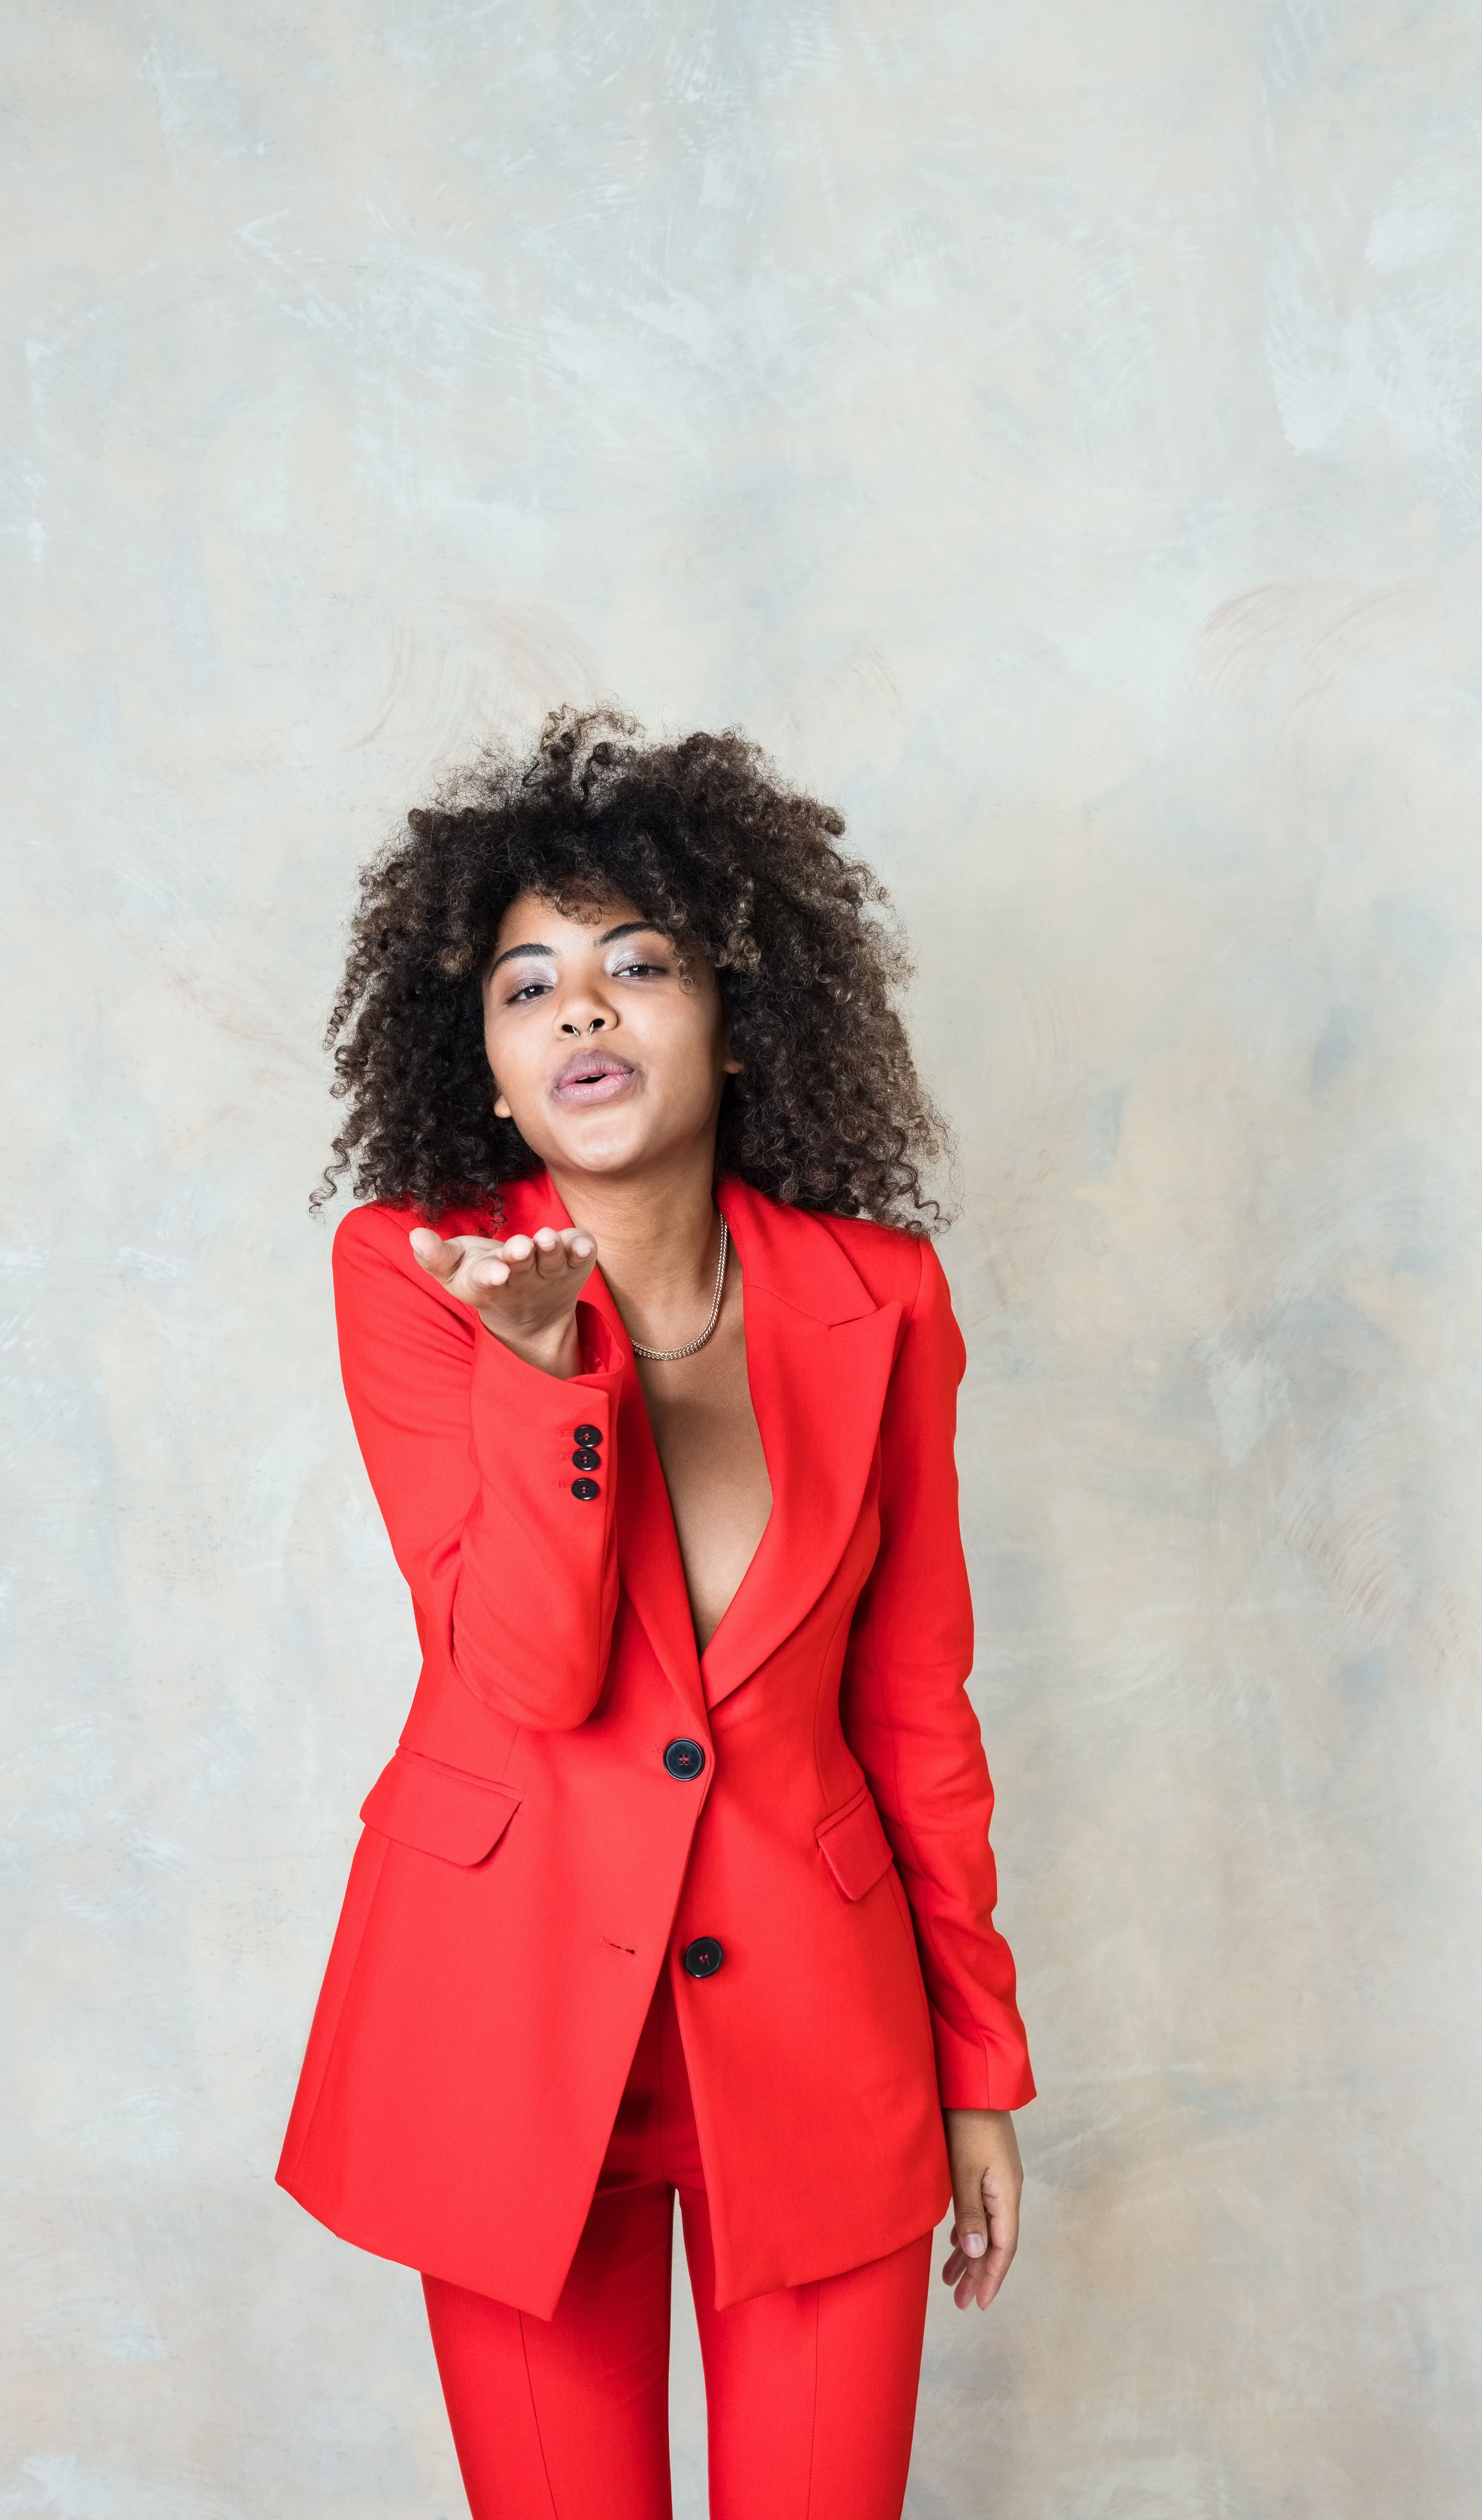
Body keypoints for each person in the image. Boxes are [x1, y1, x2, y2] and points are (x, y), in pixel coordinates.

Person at [277, 707, 1035, 2520]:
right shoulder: (411, 1275)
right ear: (481, 1055)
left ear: (737, 1016)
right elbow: (523, 1672)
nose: (581, 1013)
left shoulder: (883, 1298)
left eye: (636, 965)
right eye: (526, 986)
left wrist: (978, 2068)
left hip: (821, 2043)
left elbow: (916, 1700)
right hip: (509, 2026)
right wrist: (543, 1376)